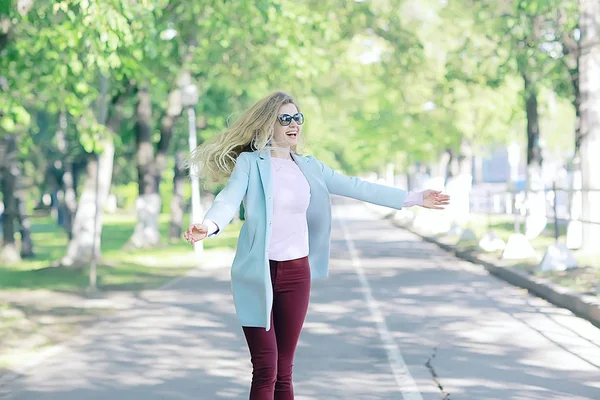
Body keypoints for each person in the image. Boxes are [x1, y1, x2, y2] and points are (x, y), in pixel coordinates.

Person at [183, 91, 450, 400]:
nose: (294, 124)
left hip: (297, 274)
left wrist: (415, 198)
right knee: (266, 367)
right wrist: (210, 225)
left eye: (298, 117)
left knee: (284, 370)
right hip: (258, 273)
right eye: (285, 118)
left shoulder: (309, 167)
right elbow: (228, 200)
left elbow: (356, 186)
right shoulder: (250, 163)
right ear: (268, 124)